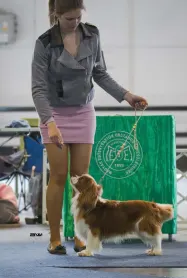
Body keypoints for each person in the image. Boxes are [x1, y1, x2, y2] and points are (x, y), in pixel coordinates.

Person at [31, 0, 148, 255]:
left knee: (81, 179)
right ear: (56, 15)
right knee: (60, 176)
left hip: (83, 111)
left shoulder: (91, 34)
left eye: (78, 18)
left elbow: (100, 73)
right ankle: (54, 238)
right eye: (69, 19)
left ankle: (80, 235)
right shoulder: (44, 43)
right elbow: (38, 88)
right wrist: (49, 122)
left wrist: (127, 95)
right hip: (54, 114)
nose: (75, 24)